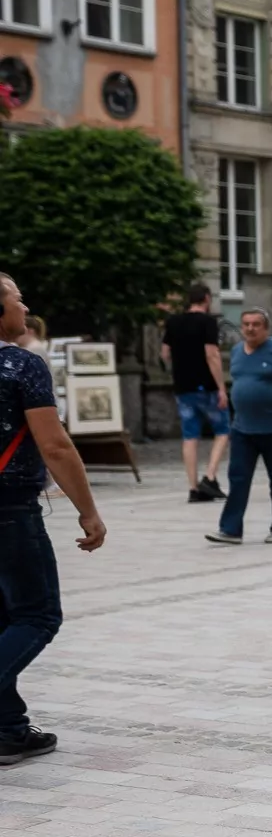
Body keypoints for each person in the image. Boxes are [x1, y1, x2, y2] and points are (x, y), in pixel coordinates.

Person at [0, 273, 107, 765]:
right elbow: (55, 445)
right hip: (9, 510)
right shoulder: (21, 365)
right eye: (19, 300)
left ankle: (9, 729)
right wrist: (88, 510)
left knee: (5, 617)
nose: (25, 309)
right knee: (38, 615)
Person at [206, 308, 272, 545]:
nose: (250, 328)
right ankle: (230, 529)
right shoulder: (237, 352)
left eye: (256, 324)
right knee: (238, 478)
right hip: (243, 429)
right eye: (246, 324)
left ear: (266, 328)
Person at [162, 283, 230, 502]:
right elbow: (212, 354)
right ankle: (209, 477)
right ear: (207, 299)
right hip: (206, 386)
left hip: (183, 386)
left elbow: (165, 353)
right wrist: (221, 387)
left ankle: (193, 488)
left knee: (190, 436)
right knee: (222, 430)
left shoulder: (173, 322)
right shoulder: (208, 322)